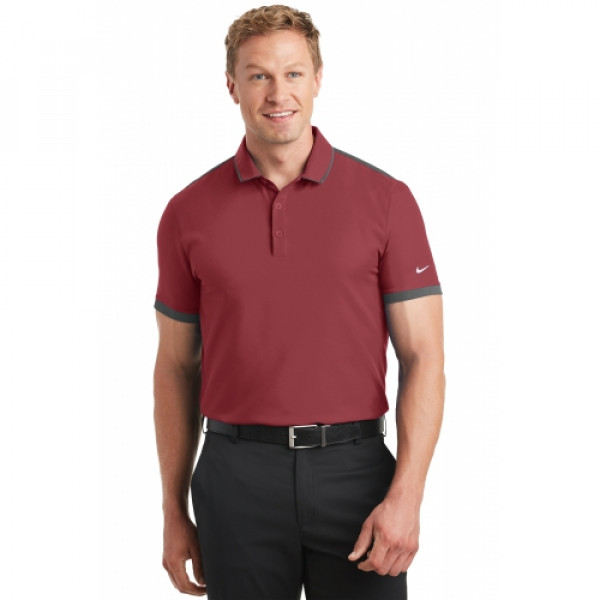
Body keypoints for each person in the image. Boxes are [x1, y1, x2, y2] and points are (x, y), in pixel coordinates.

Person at [153, 5, 445, 599]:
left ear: (317, 79)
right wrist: (173, 510)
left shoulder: (387, 200)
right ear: (231, 85)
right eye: (258, 75)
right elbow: (176, 366)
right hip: (235, 477)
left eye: (292, 73)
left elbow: (425, 357)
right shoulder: (187, 212)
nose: (277, 93)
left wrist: (408, 494)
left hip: (356, 475)